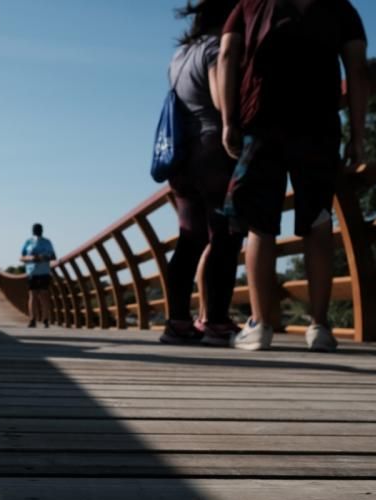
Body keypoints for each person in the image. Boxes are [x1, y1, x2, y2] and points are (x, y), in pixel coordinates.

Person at [218, 0, 368, 351]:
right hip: (318, 126)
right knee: (318, 220)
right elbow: (358, 69)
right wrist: (359, 134)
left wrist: (228, 120)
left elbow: (226, 57)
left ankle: (260, 325)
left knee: (260, 224)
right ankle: (319, 326)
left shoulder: (248, 5)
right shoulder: (341, 8)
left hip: (261, 120)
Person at [159, 0, 245, 347]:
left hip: (181, 159)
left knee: (190, 240)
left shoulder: (179, 56)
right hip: (213, 154)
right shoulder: (214, 48)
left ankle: (177, 322)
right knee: (225, 237)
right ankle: (217, 323)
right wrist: (233, 120)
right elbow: (218, 94)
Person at [21, 223, 56, 328]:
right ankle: (32, 319)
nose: (38, 231)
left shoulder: (47, 242)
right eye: (36, 229)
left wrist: (44, 257)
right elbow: (22, 257)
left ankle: (45, 319)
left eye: (39, 229)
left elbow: (53, 256)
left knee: (44, 295)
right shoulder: (28, 242)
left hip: (44, 271)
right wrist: (32, 258)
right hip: (32, 272)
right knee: (33, 295)